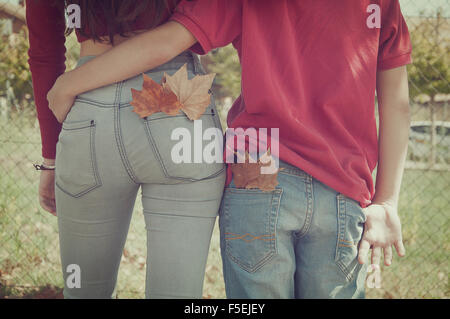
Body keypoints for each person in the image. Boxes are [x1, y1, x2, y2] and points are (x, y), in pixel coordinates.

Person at [47, 0, 411, 298]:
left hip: (258, 177)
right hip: (343, 193)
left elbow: (167, 42)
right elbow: (396, 102)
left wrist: (68, 85)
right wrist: (386, 202)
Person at [26, 0, 226, 299]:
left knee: (82, 290)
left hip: (88, 110)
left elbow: (44, 53)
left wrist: (51, 158)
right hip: (182, 109)